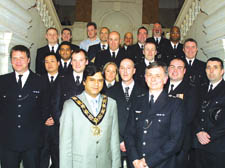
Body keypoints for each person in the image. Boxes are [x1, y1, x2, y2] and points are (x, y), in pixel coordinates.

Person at [125, 61, 185, 168]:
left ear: (165, 79)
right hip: (136, 164)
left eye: (158, 76)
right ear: (145, 78)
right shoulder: (137, 101)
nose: (153, 79)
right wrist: (135, 160)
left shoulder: (175, 104)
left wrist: (148, 162)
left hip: (162, 163)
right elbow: (129, 134)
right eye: (150, 75)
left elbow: (176, 141)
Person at [59, 64, 121, 168]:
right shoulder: (70, 105)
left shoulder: (111, 104)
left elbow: (114, 139)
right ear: (84, 82)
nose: (96, 84)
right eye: (92, 80)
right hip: (81, 164)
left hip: (105, 163)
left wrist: (116, 165)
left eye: (100, 80)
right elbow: (65, 144)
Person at [0, 45, 49, 168]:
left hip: (32, 142)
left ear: (28, 60)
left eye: (21, 58)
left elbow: (46, 107)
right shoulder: (2, 81)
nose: (18, 61)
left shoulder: (41, 81)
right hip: (7, 141)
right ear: (11, 60)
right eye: (14, 58)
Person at [107, 58, 146, 168]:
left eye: (128, 68)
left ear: (134, 71)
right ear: (118, 70)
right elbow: (108, 120)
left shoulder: (144, 92)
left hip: (137, 144)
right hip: (115, 142)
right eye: (122, 68)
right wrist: (119, 140)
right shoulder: (110, 92)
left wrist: (130, 142)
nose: (125, 71)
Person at [165, 58, 199, 168]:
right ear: (168, 69)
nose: (175, 70)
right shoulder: (160, 86)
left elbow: (188, 117)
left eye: (179, 68)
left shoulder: (191, 90)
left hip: (180, 143)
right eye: (172, 67)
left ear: (184, 71)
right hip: (159, 141)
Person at [193, 57, 225, 168]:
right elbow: (194, 112)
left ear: (222, 71)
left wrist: (208, 136)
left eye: (215, 67)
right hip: (198, 145)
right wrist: (198, 131)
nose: (211, 71)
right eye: (208, 67)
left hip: (218, 147)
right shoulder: (201, 89)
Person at [40, 53, 61, 168]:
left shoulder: (64, 79)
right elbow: (36, 103)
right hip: (42, 126)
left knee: (58, 159)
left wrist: (55, 118)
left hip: (58, 127)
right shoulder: (39, 80)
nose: (49, 64)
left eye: (52, 61)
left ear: (58, 63)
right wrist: (44, 118)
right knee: (42, 157)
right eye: (46, 62)